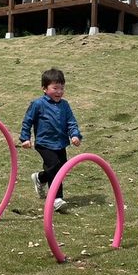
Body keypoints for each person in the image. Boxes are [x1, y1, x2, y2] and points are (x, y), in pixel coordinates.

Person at [19, 68, 82, 212]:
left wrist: (75, 135)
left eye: (62, 88)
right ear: (44, 89)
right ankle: (56, 198)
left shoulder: (65, 105)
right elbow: (27, 121)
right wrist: (25, 138)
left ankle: (40, 178)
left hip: (60, 143)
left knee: (61, 168)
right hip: (44, 143)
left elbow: (71, 122)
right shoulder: (38, 104)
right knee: (54, 166)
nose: (59, 92)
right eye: (55, 88)